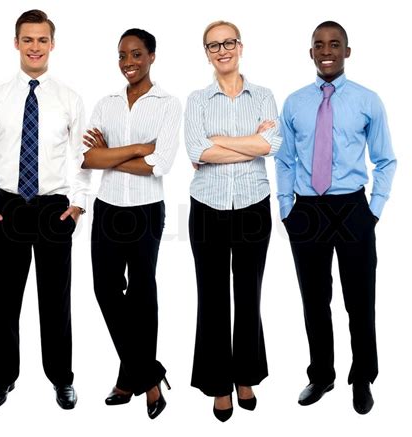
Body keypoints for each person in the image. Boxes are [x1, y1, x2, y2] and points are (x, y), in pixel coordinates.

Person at [0, 9, 89, 410]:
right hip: (9, 209)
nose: (35, 47)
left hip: (54, 210)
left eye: (42, 40)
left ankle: (61, 379)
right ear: (16, 43)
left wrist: (77, 205)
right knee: (5, 301)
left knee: (56, 303)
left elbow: (83, 156)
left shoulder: (68, 98)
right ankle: (2, 379)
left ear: (52, 44)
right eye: (27, 39)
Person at [275, 21, 396, 415]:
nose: (326, 50)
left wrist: (373, 211)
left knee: (359, 300)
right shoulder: (293, 103)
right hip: (307, 210)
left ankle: (362, 377)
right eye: (319, 45)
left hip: (351, 208)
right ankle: (322, 374)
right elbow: (283, 158)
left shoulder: (367, 100)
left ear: (347, 51)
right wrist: (287, 209)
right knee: (314, 299)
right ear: (311, 53)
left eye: (334, 44)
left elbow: (385, 159)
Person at [81, 28, 181, 420]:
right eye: (122, 55)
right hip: (107, 208)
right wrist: (139, 148)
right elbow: (87, 159)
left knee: (142, 294)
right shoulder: (106, 103)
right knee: (105, 289)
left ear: (152, 56)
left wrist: (111, 154)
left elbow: (162, 164)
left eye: (136, 54)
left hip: (145, 211)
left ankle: (129, 379)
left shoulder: (168, 105)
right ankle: (150, 376)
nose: (128, 63)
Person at [185, 20, 281, 422]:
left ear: (240, 46)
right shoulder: (197, 99)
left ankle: (246, 376)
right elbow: (195, 150)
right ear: (206, 53)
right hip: (207, 207)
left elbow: (271, 145)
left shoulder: (263, 95)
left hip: (253, 206)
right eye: (213, 46)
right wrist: (247, 145)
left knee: (248, 294)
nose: (221, 50)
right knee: (211, 297)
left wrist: (218, 141)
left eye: (227, 43)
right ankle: (218, 384)